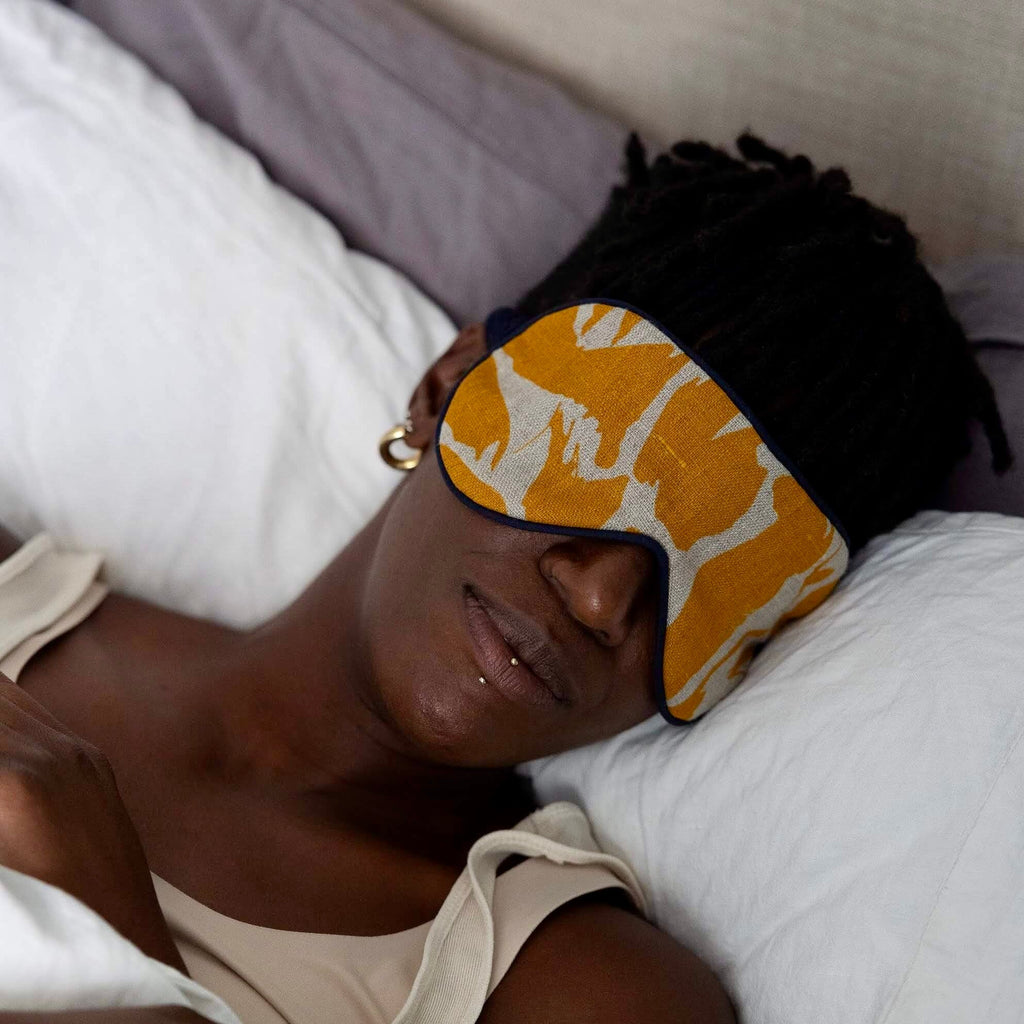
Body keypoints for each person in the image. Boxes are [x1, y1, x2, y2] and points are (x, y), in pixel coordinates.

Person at [0, 134, 1010, 1024]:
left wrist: (109, 940)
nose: (603, 596)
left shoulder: (585, 993)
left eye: (724, 564)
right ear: (447, 388)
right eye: (597, 451)